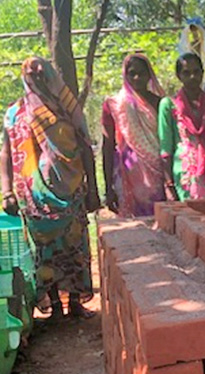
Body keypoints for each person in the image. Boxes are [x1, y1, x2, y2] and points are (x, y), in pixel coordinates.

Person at [1, 57, 100, 321]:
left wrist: (93, 190)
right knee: (45, 252)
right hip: (35, 197)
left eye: (44, 75)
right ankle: (55, 304)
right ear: (26, 79)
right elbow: (7, 154)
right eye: (34, 76)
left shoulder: (67, 109)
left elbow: (86, 149)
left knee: (75, 248)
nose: (39, 81)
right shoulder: (15, 114)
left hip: (72, 191)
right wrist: (6, 191)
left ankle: (76, 302)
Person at [158, 52, 205, 201]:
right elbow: (166, 148)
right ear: (179, 76)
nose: (192, 77)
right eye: (186, 73)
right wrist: (169, 184)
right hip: (185, 174)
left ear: (202, 73)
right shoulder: (169, 105)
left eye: (196, 72)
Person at [102, 54, 166, 217]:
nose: (137, 77)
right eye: (132, 73)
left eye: (142, 73)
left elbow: (167, 141)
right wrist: (108, 187)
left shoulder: (160, 103)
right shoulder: (115, 105)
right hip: (128, 175)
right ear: (125, 75)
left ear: (149, 75)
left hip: (157, 173)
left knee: (159, 222)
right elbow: (107, 146)